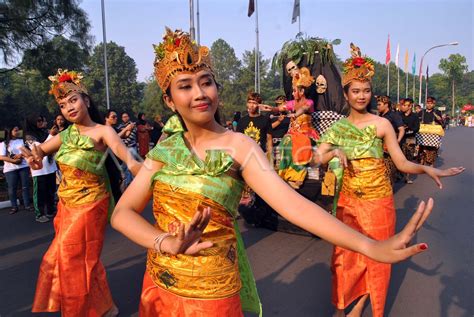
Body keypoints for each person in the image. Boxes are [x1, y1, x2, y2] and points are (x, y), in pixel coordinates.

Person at [111, 29, 444, 317]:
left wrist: (369, 246)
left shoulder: (239, 146)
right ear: (169, 101)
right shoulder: (163, 151)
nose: (199, 93)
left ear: (217, 89)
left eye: (206, 82)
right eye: (185, 86)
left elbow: (294, 206)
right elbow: (122, 213)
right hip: (158, 286)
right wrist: (165, 242)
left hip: (211, 294)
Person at [315, 44, 464, 317]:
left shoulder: (381, 125)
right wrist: (335, 151)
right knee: (346, 257)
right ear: (347, 95)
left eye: (366, 90)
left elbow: (402, 163)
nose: (362, 96)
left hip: (379, 201)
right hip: (348, 201)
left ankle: (360, 305)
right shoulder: (337, 127)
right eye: (356, 91)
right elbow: (315, 158)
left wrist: (429, 170)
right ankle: (350, 300)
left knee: (377, 256)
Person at [20, 69, 141, 316]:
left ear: (86, 100)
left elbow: (131, 162)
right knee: (76, 260)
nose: (69, 108)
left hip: (91, 205)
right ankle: (104, 306)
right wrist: (35, 157)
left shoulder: (103, 131)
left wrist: (158, 180)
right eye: (63, 105)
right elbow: (41, 151)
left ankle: (79, 311)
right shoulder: (65, 135)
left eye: (73, 100)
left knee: (69, 259)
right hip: (67, 206)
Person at [24, 115, 57, 222]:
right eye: (38, 121)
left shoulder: (44, 132)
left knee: (51, 190)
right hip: (39, 169)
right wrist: (51, 136)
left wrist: (51, 135)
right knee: (40, 193)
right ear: (33, 122)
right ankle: (39, 214)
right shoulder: (29, 136)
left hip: (50, 166)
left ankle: (51, 210)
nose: (41, 123)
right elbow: (39, 148)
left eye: (42, 120)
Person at [0, 125, 32, 214]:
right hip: (10, 169)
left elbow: (28, 152)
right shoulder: (4, 144)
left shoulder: (22, 141)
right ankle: (14, 206)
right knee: (12, 189)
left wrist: (20, 156)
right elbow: (1, 157)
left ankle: (27, 205)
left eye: (18, 130)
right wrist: (13, 161)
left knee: (25, 187)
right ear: (10, 131)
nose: (17, 132)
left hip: (23, 167)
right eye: (15, 130)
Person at [376, 95, 405, 184]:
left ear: (386, 104)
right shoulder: (379, 116)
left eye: (379, 104)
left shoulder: (394, 115)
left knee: (389, 170)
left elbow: (401, 129)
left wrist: (397, 141)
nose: (378, 107)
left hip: (390, 147)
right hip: (379, 147)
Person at [399, 98, 420, 183]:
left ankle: (407, 177)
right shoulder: (399, 115)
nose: (402, 107)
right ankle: (399, 174)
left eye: (405, 105)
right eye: (402, 105)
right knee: (400, 156)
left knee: (409, 157)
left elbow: (417, 128)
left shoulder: (415, 116)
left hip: (410, 138)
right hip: (400, 138)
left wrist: (408, 130)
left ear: (410, 106)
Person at [419, 96, 444, 166]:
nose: (429, 105)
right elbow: (416, 120)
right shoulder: (422, 112)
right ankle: (422, 160)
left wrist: (439, 120)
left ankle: (431, 162)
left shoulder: (437, 112)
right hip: (423, 133)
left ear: (434, 104)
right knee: (421, 148)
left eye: (431, 103)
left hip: (433, 134)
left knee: (432, 149)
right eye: (428, 103)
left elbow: (442, 124)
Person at [117, 111, 138, 187]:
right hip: (125, 149)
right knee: (125, 166)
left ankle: (130, 184)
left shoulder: (133, 125)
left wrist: (123, 141)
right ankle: (128, 182)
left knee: (131, 166)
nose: (125, 118)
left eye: (126, 116)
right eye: (123, 117)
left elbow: (131, 136)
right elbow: (118, 136)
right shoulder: (120, 126)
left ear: (129, 117)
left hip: (131, 148)